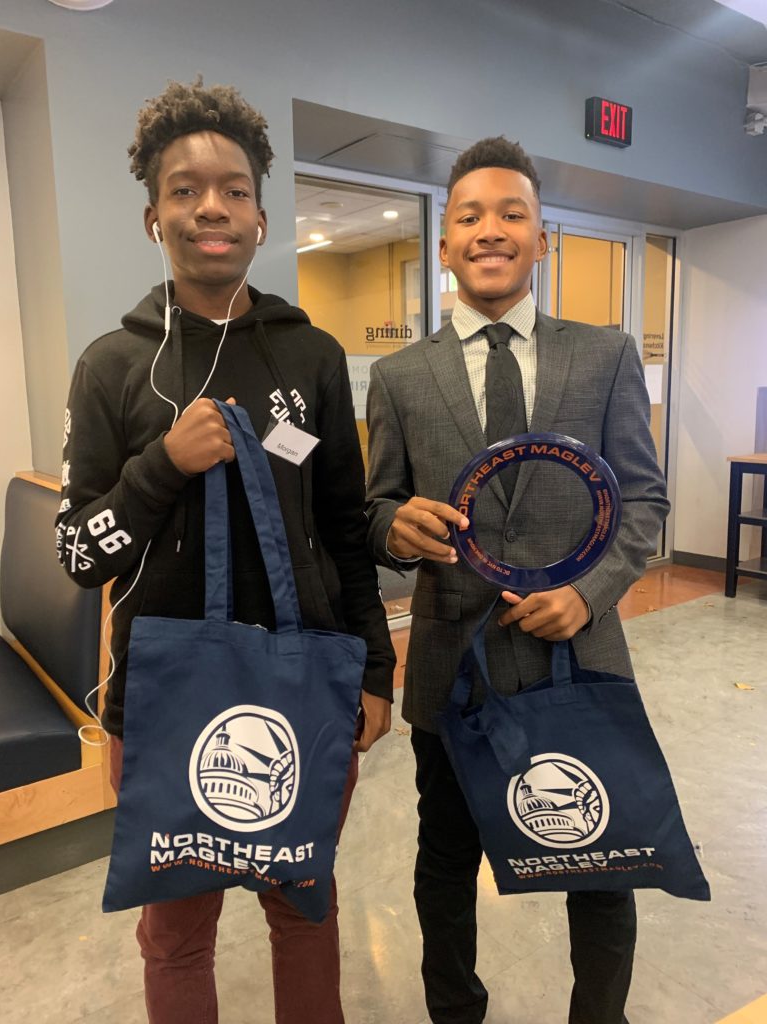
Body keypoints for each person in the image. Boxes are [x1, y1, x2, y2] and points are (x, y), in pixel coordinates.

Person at [56, 77, 395, 1024]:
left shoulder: (312, 355)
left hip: (304, 685)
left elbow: (341, 529)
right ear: (153, 214)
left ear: (258, 211)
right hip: (162, 701)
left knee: (305, 906)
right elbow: (80, 552)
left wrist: (376, 668)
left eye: (235, 188)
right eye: (184, 188)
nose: (212, 205)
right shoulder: (112, 366)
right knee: (175, 936)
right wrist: (160, 466)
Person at [365, 136, 670, 1024]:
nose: (489, 230)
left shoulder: (606, 355)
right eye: (469, 217)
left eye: (512, 214)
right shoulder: (398, 375)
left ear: (544, 241)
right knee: (446, 864)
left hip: (581, 653)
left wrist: (591, 592)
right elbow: (375, 508)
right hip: (450, 667)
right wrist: (397, 526)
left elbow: (643, 500)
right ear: (446, 243)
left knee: (602, 866)